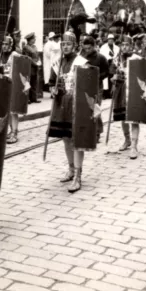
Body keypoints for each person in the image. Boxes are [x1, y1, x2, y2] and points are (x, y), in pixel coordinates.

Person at [47, 30, 89, 193]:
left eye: (68, 44)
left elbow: (87, 84)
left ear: (75, 45)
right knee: (65, 138)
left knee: (76, 140)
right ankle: (71, 169)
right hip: (61, 105)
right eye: (63, 44)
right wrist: (53, 90)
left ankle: (78, 175)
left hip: (76, 105)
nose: (65, 47)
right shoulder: (57, 63)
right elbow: (51, 83)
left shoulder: (81, 62)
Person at [110, 34, 143, 159]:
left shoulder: (137, 58)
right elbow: (112, 75)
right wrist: (114, 78)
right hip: (120, 91)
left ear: (131, 46)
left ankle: (134, 146)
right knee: (123, 118)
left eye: (127, 45)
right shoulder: (116, 59)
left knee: (133, 119)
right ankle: (127, 139)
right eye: (122, 45)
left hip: (133, 91)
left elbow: (145, 75)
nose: (124, 47)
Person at [80, 35, 110, 142]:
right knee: (85, 108)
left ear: (94, 46)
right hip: (84, 85)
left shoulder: (101, 58)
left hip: (97, 86)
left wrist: (97, 76)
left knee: (95, 108)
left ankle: (97, 132)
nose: (87, 50)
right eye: (85, 48)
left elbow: (107, 72)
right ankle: (87, 130)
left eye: (89, 48)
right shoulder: (81, 57)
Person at [0, 36, 23, 144]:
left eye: (6, 44)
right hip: (4, 85)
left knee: (13, 111)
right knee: (7, 110)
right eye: (3, 44)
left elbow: (22, 67)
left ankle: (15, 132)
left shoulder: (15, 55)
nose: (4, 46)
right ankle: (11, 130)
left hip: (14, 85)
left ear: (11, 45)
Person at [100, 34, 120, 99]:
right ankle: (105, 94)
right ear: (107, 40)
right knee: (106, 80)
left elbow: (118, 55)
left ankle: (111, 94)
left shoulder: (117, 47)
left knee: (112, 79)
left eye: (112, 39)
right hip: (106, 65)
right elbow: (102, 55)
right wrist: (109, 58)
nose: (111, 40)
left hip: (114, 65)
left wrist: (114, 58)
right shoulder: (103, 47)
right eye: (109, 39)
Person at [22, 32, 41, 104]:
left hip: (35, 67)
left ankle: (34, 98)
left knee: (34, 82)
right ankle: (27, 99)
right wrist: (35, 63)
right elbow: (27, 58)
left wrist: (39, 62)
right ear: (30, 40)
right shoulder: (26, 47)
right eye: (33, 38)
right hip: (29, 67)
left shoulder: (34, 47)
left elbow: (37, 56)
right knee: (28, 82)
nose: (35, 39)